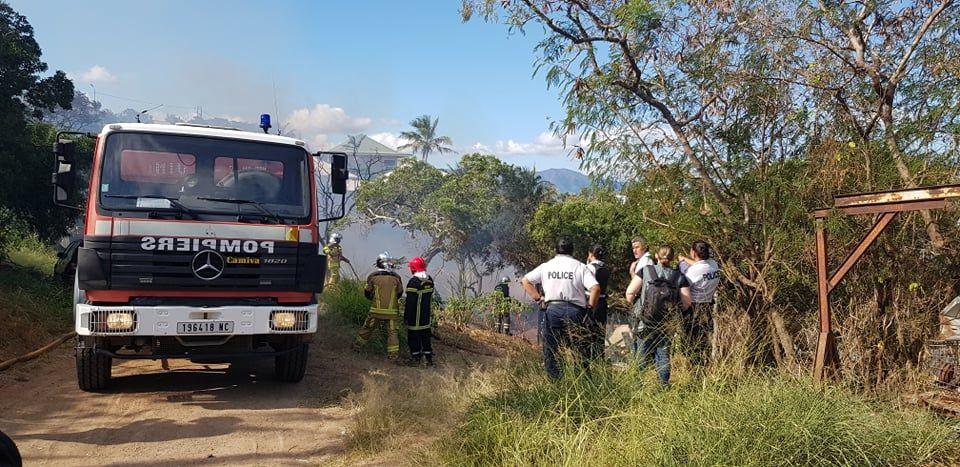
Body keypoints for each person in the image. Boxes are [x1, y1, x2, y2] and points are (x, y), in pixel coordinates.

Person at [521, 237, 600, 379]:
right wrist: (589, 309)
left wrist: (539, 299)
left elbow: (525, 280)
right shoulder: (580, 267)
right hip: (576, 312)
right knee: (579, 351)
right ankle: (583, 382)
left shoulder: (547, 266)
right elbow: (595, 288)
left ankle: (555, 382)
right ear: (572, 251)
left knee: (551, 350)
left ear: (556, 250)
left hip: (552, 311)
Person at [631, 246, 691, 385]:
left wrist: (639, 305)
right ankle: (663, 388)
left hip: (645, 322)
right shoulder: (679, 276)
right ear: (672, 258)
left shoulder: (646, 271)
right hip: (666, 324)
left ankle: (637, 387)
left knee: (641, 354)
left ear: (656, 255)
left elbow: (629, 293)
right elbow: (687, 302)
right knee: (663, 356)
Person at [677, 240, 721, 371]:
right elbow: (699, 265)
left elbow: (685, 282)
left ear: (693, 252)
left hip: (693, 308)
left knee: (691, 342)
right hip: (707, 307)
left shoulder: (693, 272)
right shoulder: (714, 265)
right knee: (704, 340)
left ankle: (694, 370)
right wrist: (684, 258)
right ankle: (704, 367)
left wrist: (681, 263)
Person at [352, 253, 403, 359]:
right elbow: (399, 293)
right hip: (392, 313)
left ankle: (356, 347)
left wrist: (374, 300)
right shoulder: (396, 277)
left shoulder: (373, 276)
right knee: (392, 332)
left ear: (378, 263)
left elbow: (367, 292)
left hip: (376, 311)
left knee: (367, 328)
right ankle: (393, 356)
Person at [404, 256, 435, 366]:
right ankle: (428, 359)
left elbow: (410, 302)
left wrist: (406, 317)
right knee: (426, 338)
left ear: (413, 268)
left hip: (415, 317)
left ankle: (415, 358)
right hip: (426, 317)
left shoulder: (413, 282)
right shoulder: (430, 280)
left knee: (413, 337)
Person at [584, 244, 610, 363]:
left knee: (588, 333)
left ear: (590, 254)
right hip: (603, 303)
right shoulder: (605, 268)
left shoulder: (589, 268)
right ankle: (599, 361)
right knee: (600, 334)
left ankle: (587, 360)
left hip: (591, 302)